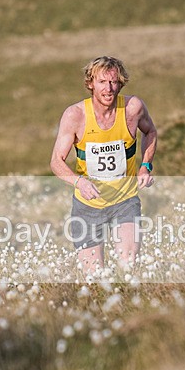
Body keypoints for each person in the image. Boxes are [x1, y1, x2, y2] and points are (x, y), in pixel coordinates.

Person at [51, 56, 157, 274]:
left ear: (120, 83)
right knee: (94, 277)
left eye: (114, 82)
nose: (108, 89)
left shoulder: (133, 108)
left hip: (125, 201)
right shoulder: (75, 115)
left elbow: (150, 132)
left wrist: (145, 166)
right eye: (102, 82)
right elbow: (56, 161)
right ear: (91, 83)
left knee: (128, 266)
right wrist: (79, 182)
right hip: (87, 207)